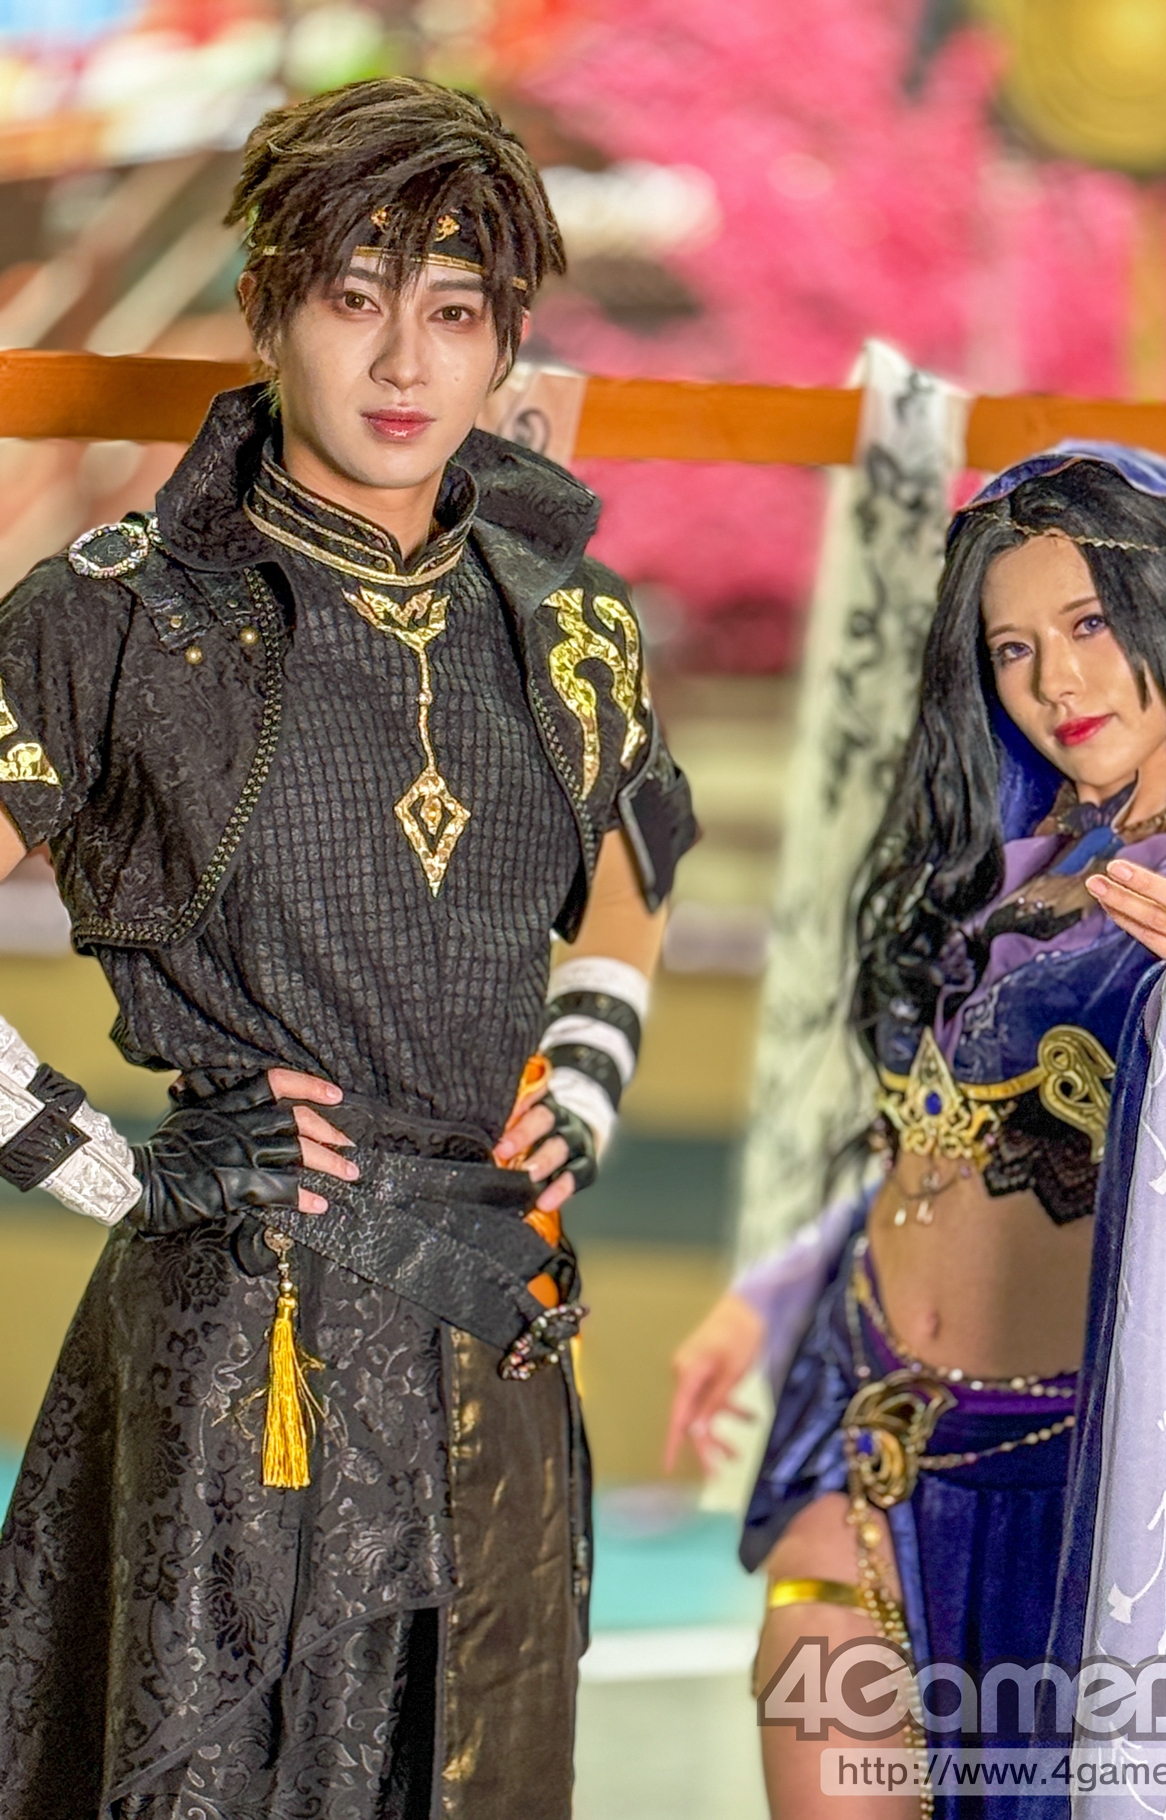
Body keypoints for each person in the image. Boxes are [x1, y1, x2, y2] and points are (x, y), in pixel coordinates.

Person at [0, 78, 695, 1820]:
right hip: (250, 1352)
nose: (402, 361)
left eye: (453, 313)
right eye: (353, 297)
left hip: (493, 1336)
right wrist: (94, 1161)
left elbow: (634, 862)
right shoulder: (113, 614)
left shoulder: (570, 618)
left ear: (504, 339)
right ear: (267, 307)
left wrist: (585, 1071)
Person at [667, 446, 1166, 1818]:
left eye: (1090, 624)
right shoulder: (1001, 870)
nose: (1055, 683)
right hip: (858, 1432)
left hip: (1064, 1494)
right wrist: (768, 1296)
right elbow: (928, 1149)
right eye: (1014, 647)